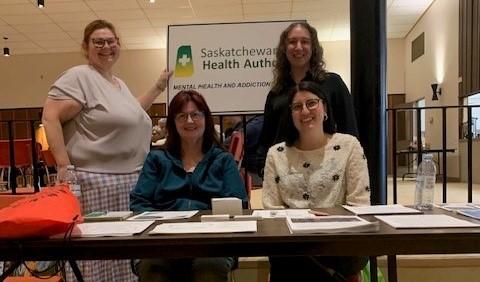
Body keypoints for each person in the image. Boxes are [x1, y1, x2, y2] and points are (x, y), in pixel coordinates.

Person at [41, 19, 172, 282]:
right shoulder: (79, 76)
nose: (106, 47)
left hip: (129, 183)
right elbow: (50, 116)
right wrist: (63, 164)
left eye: (111, 41)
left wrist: (158, 87)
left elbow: (132, 112)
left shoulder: (117, 83)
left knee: (125, 264)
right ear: (85, 47)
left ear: (118, 45)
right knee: (97, 263)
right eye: (98, 42)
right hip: (95, 183)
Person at [130, 90, 248, 282]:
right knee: (154, 271)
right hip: (161, 243)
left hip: (212, 243)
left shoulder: (223, 160)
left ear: (206, 119)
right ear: (173, 123)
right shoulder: (157, 159)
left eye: (195, 115)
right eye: (182, 116)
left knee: (208, 272)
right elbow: (139, 203)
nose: (189, 121)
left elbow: (239, 204)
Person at [262, 81, 370, 282]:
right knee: (286, 256)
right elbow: (271, 210)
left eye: (311, 103)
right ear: (291, 114)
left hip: (340, 240)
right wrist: (304, 218)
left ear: (325, 108)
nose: (305, 111)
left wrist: (328, 218)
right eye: (297, 106)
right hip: (292, 242)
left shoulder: (349, 146)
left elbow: (360, 205)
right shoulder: (276, 154)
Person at [257, 21, 358, 176]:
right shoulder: (275, 94)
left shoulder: (333, 84)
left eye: (304, 41)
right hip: (286, 174)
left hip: (328, 172)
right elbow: (267, 140)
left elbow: (350, 131)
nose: (298, 47)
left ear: (313, 48)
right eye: (292, 42)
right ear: (284, 48)